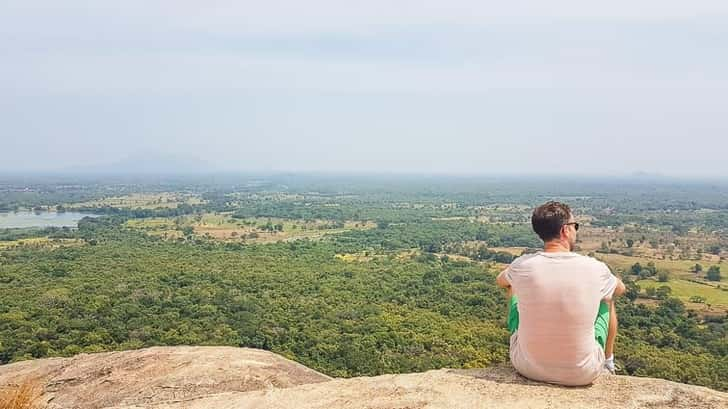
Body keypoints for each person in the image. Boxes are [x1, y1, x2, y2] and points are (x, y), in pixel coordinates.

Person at [496, 201, 625, 386]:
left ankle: (535, 350)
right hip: (583, 373)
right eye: (575, 226)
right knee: (607, 297)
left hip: (527, 367)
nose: (576, 231)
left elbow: (501, 281)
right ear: (565, 230)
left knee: (512, 286)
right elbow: (620, 289)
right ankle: (608, 361)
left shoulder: (522, 265)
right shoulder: (594, 268)